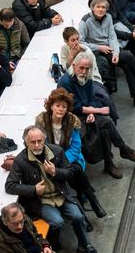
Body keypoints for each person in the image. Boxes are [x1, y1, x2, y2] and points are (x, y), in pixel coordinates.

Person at [6, 125, 96, 253]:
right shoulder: (20, 160)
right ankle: (54, 245)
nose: (37, 145)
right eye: (32, 142)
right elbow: (10, 186)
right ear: (26, 142)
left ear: (44, 140)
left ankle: (85, 244)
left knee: (78, 216)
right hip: (41, 201)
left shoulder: (57, 151)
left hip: (62, 195)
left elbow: (70, 172)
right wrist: (33, 189)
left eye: (40, 141)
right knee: (57, 222)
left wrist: (55, 172)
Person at [57, 54, 135, 179]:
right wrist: (96, 110)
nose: (84, 71)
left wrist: (92, 113)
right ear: (73, 66)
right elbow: (72, 107)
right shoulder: (65, 82)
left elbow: (93, 99)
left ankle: (112, 161)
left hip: (86, 114)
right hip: (72, 118)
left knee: (105, 125)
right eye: (81, 68)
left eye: (87, 68)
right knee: (105, 123)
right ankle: (122, 150)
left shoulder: (87, 78)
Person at [79, 0, 135, 109]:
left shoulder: (108, 17)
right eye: (98, 7)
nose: (101, 10)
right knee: (128, 55)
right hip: (96, 53)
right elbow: (81, 43)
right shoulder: (85, 21)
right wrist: (99, 47)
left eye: (103, 7)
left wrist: (115, 54)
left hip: (109, 50)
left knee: (127, 65)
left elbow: (112, 37)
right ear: (92, 8)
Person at [38, 88, 106, 218]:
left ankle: (85, 214)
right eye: (57, 105)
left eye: (64, 106)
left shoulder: (71, 121)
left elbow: (76, 146)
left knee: (74, 170)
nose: (61, 109)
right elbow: (41, 146)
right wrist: (56, 164)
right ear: (51, 106)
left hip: (71, 159)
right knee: (75, 175)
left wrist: (63, 162)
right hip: (50, 162)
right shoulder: (42, 122)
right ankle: (93, 203)